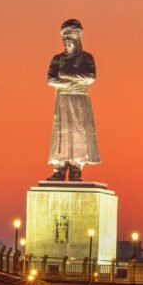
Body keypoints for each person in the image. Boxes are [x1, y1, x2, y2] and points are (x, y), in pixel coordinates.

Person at [46, 19, 100, 181]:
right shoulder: (58, 59)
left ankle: (76, 169)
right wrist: (73, 82)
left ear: (78, 38)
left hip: (79, 100)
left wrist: (66, 78)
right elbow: (51, 80)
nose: (67, 42)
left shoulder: (87, 58)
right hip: (63, 100)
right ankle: (60, 169)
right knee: (62, 134)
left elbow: (90, 77)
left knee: (78, 133)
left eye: (71, 38)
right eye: (65, 38)